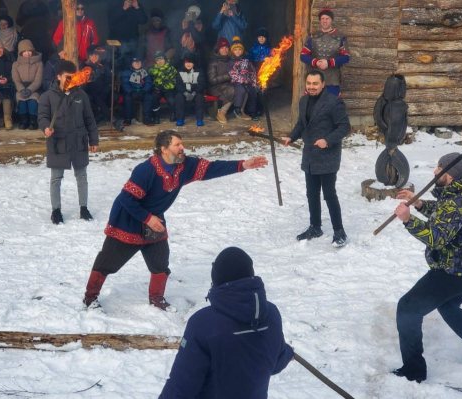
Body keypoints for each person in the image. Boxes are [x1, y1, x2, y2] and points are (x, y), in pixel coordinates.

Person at [82, 131, 268, 310]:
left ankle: (156, 300)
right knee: (108, 262)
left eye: (181, 144)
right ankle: (90, 299)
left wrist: (242, 165)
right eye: (177, 144)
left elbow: (211, 168)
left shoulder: (184, 166)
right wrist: (147, 218)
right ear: (164, 148)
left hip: (155, 219)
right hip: (128, 220)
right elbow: (126, 198)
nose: (182, 148)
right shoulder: (145, 170)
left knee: (160, 263)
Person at [391, 154, 462, 383]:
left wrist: (408, 220)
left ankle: (414, 371)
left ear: (450, 175)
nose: (435, 172)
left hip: (455, 271)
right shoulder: (461, 193)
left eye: (439, 168)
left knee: (408, 308)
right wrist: (421, 204)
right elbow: (445, 215)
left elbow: (437, 238)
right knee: (449, 308)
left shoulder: (457, 201)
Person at [159, 247, 294, 398]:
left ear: (216, 281)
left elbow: (181, 388)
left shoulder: (203, 324)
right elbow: (276, 362)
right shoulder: (272, 314)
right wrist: (288, 352)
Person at [283, 71, 350, 247]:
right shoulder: (304, 101)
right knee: (311, 194)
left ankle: (339, 230)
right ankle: (315, 226)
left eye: (315, 83)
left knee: (329, 194)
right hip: (310, 155)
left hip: (328, 155)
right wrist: (291, 137)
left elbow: (345, 127)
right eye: (309, 83)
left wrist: (327, 140)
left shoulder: (333, 102)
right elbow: (301, 124)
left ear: (322, 84)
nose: (311, 86)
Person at [38, 60, 99, 225]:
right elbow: (42, 117)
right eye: (67, 77)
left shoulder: (81, 95)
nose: (70, 80)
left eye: (73, 77)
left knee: (82, 176)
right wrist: (45, 128)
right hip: (58, 142)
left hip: (78, 141)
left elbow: (89, 118)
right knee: (56, 178)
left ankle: (84, 207)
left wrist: (94, 139)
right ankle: (56, 210)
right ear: (58, 76)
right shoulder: (47, 96)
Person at [300, 8, 350, 97]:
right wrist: (316, 62)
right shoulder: (313, 37)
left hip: (332, 79)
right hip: (314, 79)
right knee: (311, 106)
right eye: (322, 19)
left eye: (327, 18)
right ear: (320, 20)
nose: (324, 21)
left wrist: (329, 62)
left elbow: (346, 57)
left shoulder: (340, 38)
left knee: (332, 106)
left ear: (331, 20)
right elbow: (303, 55)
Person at [83, 45, 123, 131]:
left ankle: (100, 116)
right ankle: (113, 121)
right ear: (88, 57)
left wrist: (106, 91)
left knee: (115, 96)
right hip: (91, 94)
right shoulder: (85, 67)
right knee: (98, 99)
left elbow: (108, 80)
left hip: (104, 92)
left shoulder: (103, 66)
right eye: (91, 56)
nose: (94, 58)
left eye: (96, 55)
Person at [12, 39, 43, 130]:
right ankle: (23, 121)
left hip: (34, 88)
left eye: (29, 51)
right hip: (21, 88)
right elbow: (15, 79)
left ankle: (33, 121)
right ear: (20, 53)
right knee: (21, 100)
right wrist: (21, 89)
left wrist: (30, 89)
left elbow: (38, 79)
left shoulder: (39, 63)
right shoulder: (16, 64)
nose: (27, 53)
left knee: (33, 100)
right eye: (24, 51)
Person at [108, 0, 148, 67]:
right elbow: (111, 20)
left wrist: (137, 8)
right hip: (117, 43)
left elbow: (143, 21)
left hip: (132, 43)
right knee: (117, 67)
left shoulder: (136, 5)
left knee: (132, 66)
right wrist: (123, 8)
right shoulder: (113, 3)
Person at [228, 36, 258, 121]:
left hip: (247, 80)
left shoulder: (246, 60)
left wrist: (252, 81)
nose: (238, 51)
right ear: (232, 51)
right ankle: (237, 108)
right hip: (237, 81)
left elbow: (252, 71)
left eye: (239, 49)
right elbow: (232, 73)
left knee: (252, 90)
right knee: (241, 90)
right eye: (235, 50)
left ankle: (252, 111)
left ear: (242, 50)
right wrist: (242, 80)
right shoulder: (231, 62)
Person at [207, 37, 234, 124]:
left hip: (228, 84)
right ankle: (222, 113)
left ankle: (240, 112)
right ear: (218, 49)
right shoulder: (213, 62)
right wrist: (228, 76)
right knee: (233, 90)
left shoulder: (231, 60)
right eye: (222, 48)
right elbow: (212, 80)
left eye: (226, 47)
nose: (225, 50)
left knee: (242, 88)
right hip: (215, 87)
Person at [121, 56, 153, 126]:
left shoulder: (145, 72)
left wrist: (144, 91)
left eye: (139, 62)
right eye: (135, 62)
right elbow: (125, 84)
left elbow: (148, 83)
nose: (137, 64)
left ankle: (147, 118)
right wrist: (131, 91)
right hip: (131, 92)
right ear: (132, 64)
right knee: (127, 99)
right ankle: (127, 119)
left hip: (142, 91)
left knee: (149, 97)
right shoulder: (127, 72)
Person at [175, 53, 205, 127]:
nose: (188, 64)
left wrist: (194, 92)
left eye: (190, 62)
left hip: (195, 91)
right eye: (187, 63)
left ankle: (199, 119)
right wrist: (184, 92)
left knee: (200, 99)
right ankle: (180, 118)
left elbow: (202, 83)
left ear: (194, 63)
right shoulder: (179, 71)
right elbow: (178, 84)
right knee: (179, 98)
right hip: (184, 91)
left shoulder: (198, 71)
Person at [149, 51, 177, 124]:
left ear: (164, 59)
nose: (160, 61)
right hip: (157, 90)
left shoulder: (171, 69)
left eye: (161, 59)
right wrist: (155, 87)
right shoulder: (152, 70)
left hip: (168, 89)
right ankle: (156, 116)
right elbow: (149, 81)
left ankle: (173, 114)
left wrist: (164, 87)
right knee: (153, 98)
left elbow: (173, 82)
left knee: (171, 100)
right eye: (157, 60)